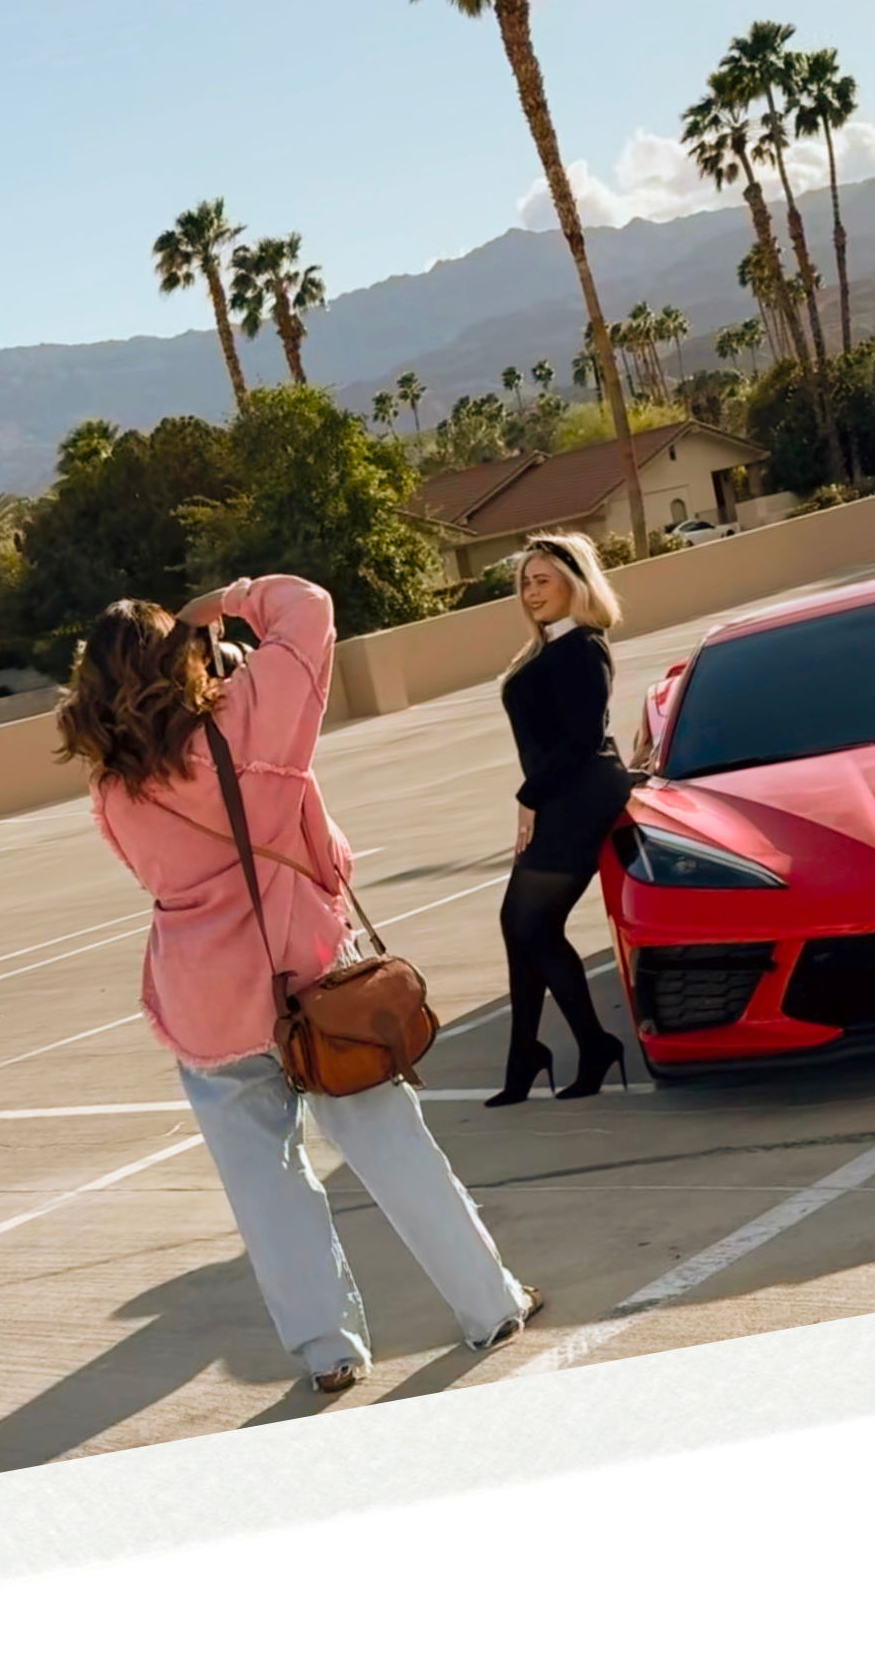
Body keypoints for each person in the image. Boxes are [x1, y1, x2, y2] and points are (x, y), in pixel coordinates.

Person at [56, 574, 543, 1395]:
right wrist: (220, 602)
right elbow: (310, 607)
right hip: (308, 977)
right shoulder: (251, 720)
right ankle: (488, 1306)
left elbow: (155, 874)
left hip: (205, 1001)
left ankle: (328, 1352)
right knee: (393, 1149)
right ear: (181, 655)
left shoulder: (113, 789)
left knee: (264, 1186)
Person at [487, 531, 639, 1107]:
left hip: (579, 795)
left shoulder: (583, 646)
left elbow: (581, 739)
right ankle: (527, 1055)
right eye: (525, 582)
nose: (530, 592)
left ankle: (582, 1047)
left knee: (529, 926)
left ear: (574, 583)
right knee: (523, 927)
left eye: (541, 580)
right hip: (560, 794)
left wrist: (529, 796)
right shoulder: (549, 646)